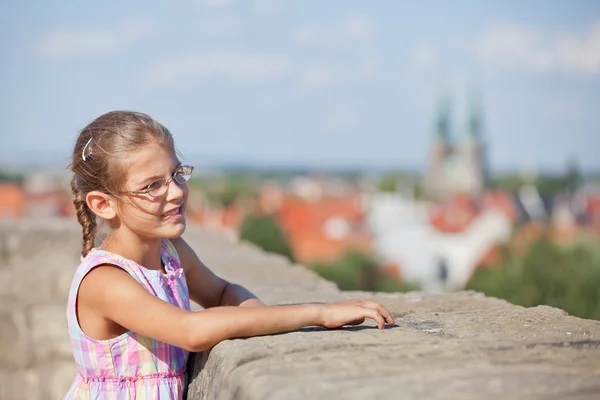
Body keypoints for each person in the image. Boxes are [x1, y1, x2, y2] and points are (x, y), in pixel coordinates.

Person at [65, 110, 395, 399]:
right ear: (103, 204)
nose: (178, 191)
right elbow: (191, 332)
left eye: (177, 173)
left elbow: (222, 292)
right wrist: (318, 312)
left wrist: (258, 317)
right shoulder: (106, 280)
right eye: (153, 186)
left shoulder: (171, 253)